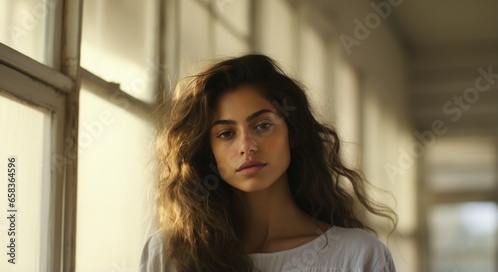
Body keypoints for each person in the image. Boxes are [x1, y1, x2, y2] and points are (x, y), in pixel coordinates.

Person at [140, 54, 397, 271]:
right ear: (209, 152)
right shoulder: (169, 254)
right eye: (226, 134)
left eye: (262, 126)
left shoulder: (359, 256)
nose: (247, 146)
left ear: (293, 133)